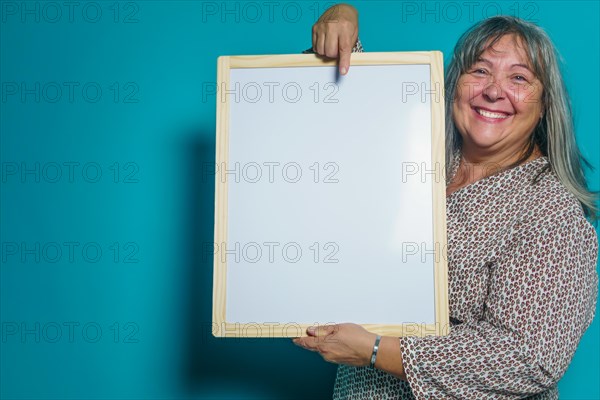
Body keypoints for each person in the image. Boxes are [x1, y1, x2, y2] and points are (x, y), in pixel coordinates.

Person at [292, 4, 599, 399]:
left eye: (519, 78)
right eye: (480, 70)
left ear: (544, 105)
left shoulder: (550, 212)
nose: (493, 90)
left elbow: (526, 360)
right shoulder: (415, 157)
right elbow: (349, 112)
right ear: (454, 82)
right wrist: (340, 19)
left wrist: (372, 350)